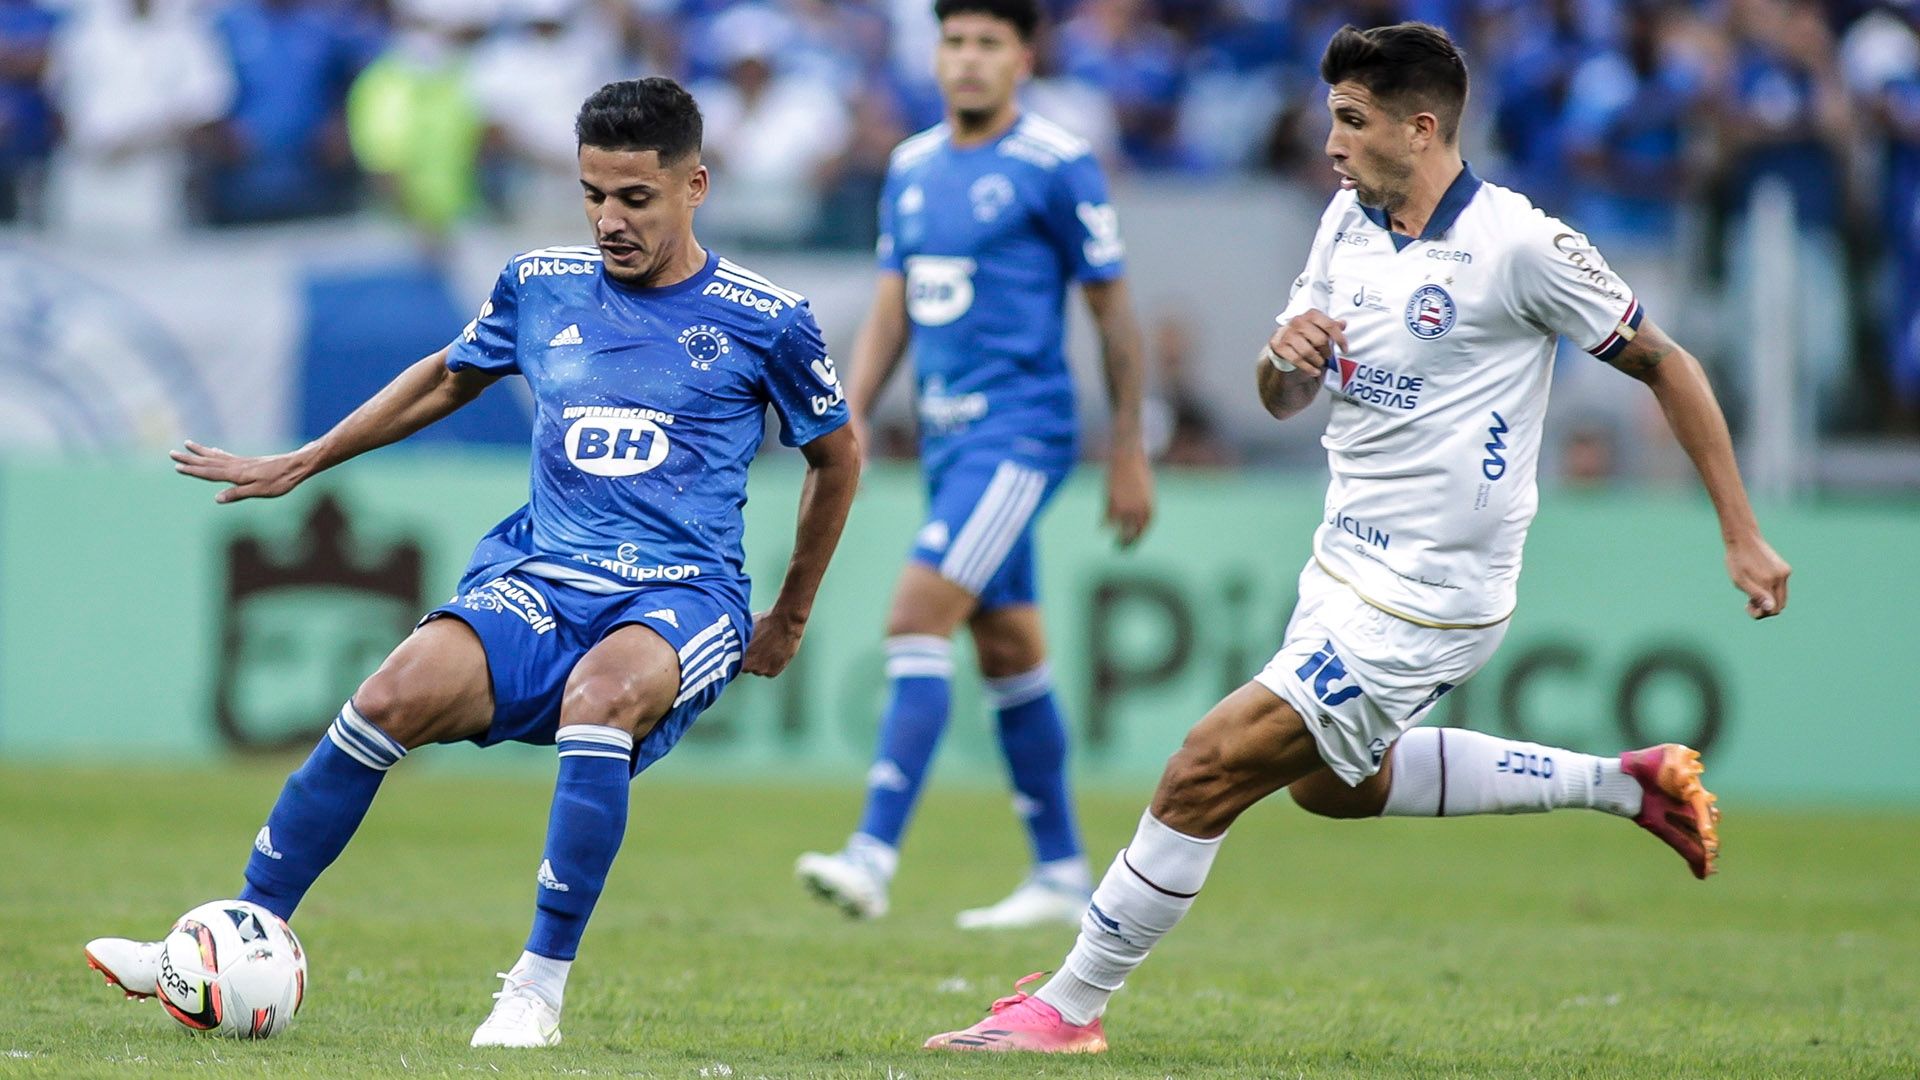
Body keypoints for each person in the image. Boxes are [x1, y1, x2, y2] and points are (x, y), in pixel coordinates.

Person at [926, 22, 1792, 1053]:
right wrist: (1283, 359)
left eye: (1351, 120)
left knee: (1204, 767)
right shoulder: (1345, 222)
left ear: (1420, 128)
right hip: (1341, 562)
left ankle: (1067, 1008)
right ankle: (1626, 783)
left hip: (1431, 594)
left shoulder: (1522, 244)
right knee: (1334, 788)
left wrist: (1741, 534)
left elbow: (1668, 363)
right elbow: (1284, 394)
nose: (1328, 141)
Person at [82, 77, 860, 1049]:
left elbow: (837, 454)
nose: (609, 220)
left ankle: (536, 988)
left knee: (601, 697)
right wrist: (306, 458)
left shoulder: (768, 318)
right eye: (592, 194)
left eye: (635, 198)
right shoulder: (540, 283)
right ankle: (233, 934)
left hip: (681, 593)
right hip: (541, 575)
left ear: (695, 186)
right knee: (389, 697)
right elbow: (451, 378)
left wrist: (787, 614)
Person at [795, 0, 1154, 931]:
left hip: (1023, 435)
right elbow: (892, 306)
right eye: (954, 41)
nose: (968, 60)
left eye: (989, 43)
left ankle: (872, 855)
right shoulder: (911, 168)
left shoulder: (1057, 164)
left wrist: (1128, 450)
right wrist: (853, 417)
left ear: (1024, 57)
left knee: (917, 614)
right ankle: (1063, 871)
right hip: (951, 444)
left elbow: (1114, 314)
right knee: (1008, 651)